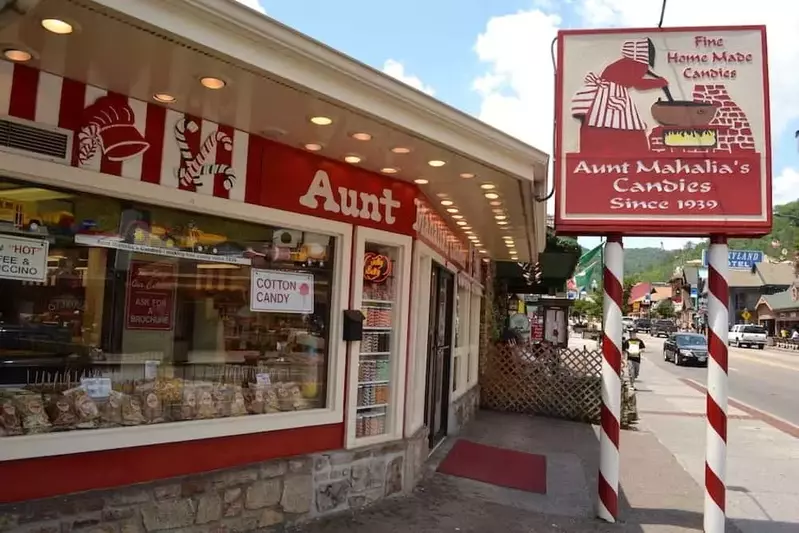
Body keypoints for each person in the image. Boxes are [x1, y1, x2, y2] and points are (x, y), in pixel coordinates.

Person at [571, 38, 669, 155]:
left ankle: (592, 154)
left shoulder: (622, 63)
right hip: (615, 97)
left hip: (602, 98)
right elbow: (638, 84)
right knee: (624, 126)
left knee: (597, 122)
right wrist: (659, 83)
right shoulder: (637, 65)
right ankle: (635, 156)